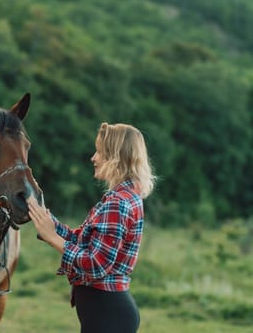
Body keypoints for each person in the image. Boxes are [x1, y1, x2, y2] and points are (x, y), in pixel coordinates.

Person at [27, 122, 156, 333]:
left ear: (116, 157)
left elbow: (96, 264)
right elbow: (83, 243)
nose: (93, 158)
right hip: (106, 311)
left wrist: (53, 238)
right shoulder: (123, 197)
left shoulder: (117, 203)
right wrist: (47, 221)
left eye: (100, 152)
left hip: (108, 314)